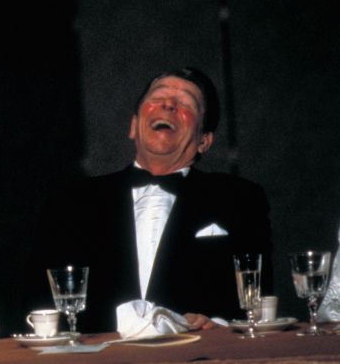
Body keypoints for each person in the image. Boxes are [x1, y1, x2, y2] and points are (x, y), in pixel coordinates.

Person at [39, 67, 272, 333]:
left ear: (204, 141)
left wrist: (217, 327)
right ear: (133, 126)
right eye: (157, 98)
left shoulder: (240, 199)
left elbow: (259, 298)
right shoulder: (72, 201)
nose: (169, 104)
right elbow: (38, 301)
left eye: (186, 103)